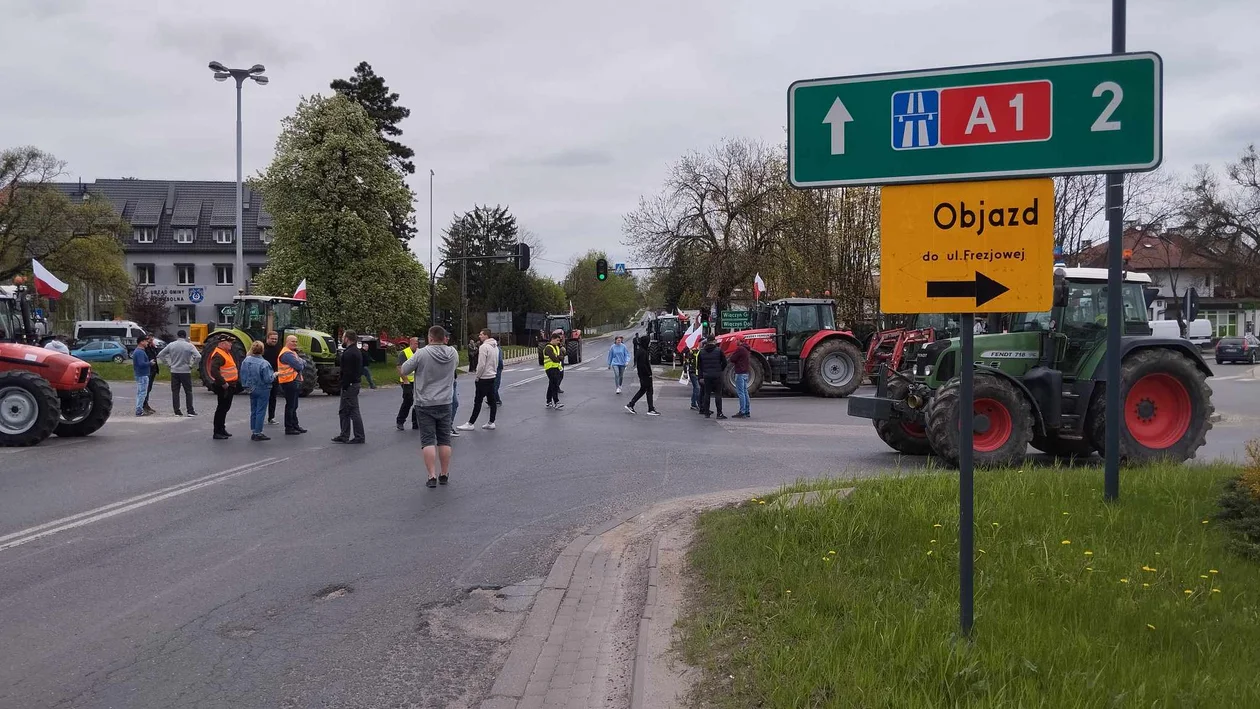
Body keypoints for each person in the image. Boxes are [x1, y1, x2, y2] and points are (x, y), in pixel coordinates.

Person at [399, 325, 459, 488]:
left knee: (428, 440)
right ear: (443, 337)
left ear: (430, 338)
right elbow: (454, 368)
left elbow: (404, 369)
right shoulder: (453, 353)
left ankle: (432, 476)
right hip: (445, 401)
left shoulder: (422, 353)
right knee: (444, 440)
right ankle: (444, 474)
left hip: (425, 402)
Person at [458, 329, 500, 431]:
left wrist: (478, 376)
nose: (479, 336)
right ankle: (491, 421)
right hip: (492, 376)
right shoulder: (495, 347)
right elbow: (496, 362)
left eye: (481, 335)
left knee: (478, 401)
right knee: (492, 400)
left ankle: (471, 423)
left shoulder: (484, 347)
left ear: (486, 336)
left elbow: (481, 364)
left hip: (484, 377)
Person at [158, 330, 201, 417]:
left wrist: (168, 364)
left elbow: (160, 354)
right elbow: (198, 356)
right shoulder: (189, 345)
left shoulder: (171, 345)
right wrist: (192, 365)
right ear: (185, 336)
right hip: (185, 371)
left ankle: (177, 411)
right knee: (188, 391)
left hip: (174, 371)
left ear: (177, 336)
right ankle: (190, 411)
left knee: (175, 392)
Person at [332, 330, 365, 444]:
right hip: (351, 384)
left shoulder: (350, 353)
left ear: (347, 339)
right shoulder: (354, 351)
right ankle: (344, 434)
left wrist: (344, 385)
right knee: (343, 411)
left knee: (353, 410)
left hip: (350, 385)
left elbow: (348, 372)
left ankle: (359, 436)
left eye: (343, 337)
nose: (342, 339)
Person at [239, 341, 276, 441]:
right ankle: (258, 432)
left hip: (251, 387)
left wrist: (245, 385)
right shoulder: (264, 363)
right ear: (262, 350)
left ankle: (253, 429)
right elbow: (268, 379)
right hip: (262, 388)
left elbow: (243, 374)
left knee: (254, 409)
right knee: (261, 410)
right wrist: (275, 375)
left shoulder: (246, 360)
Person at [207, 338, 240, 439]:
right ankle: (217, 432)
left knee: (225, 408)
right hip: (224, 386)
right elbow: (214, 371)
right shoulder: (218, 354)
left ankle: (222, 429)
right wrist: (223, 383)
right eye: (229, 343)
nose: (231, 345)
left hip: (230, 385)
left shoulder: (225, 352)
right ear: (222, 343)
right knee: (221, 409)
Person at [277, 335, 307, 435]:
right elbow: (299, 365)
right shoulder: (287, 354)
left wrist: (301, 363)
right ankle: (289, 427)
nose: (295, 343)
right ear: (287, 341)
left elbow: (303, 362)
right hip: (289, 381)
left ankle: (295, 425)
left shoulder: (292, 352)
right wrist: (301, 363)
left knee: (294, 405)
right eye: (293, 341)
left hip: (293, 381)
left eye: (296, 342)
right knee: (290, 406)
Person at [625, 334, 660, 415]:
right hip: (645, 375)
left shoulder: (642, 350)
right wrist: (649, 374)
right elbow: (643, 365)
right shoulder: (643, 352)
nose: (649, 343)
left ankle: (634, 404)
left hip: (643, 375)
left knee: (645, 390)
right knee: (648, 390)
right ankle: (649, 409)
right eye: (648, 341)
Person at [697, 336, 728, 419]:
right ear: (714, 341)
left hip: (706, 375)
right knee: (718, 394)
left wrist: (701, 376)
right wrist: (720, 369)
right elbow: (725, 362)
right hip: (717, 375)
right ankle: (719, 413)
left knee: (707, 394)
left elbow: (699, 366)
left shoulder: (702, 352)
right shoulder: (719, 351)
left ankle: (707, 412)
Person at [396, 336, 421, 431]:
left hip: (417, 381)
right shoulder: (404, 353)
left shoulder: (419, 352)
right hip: (406, 381)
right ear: (411, 343)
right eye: (415, 343)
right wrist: (405, 380)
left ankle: (416, 423)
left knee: (418, 401)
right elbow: (399, 367)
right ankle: (400, 421)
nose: (417, 345)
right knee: (408, 400)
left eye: (418, 343)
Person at [729, 336, 752, 418]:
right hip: (745, 373)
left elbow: (732, 358)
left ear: (739, 341)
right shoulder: (746, 349)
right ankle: (747, 410)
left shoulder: (740, 349)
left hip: (740, 373)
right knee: (745, 392)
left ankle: (742, 411)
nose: (736, 342)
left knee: (741, 392)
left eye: (737, 340)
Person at [262, 331, 282, 425]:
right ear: (267, 339)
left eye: (275, 339)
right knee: (263, 398)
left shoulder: (279, 348)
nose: (274, 340)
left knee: (273, 398)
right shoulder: (262, 348)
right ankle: (260, 417)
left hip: (275, 375)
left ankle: (271, 417)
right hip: (264, 377)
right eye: (272, 338)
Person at [543, 331, 565, 409]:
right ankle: (556, 402)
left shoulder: (556, 347)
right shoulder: (548, 347)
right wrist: (558, 357)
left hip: (556, 368)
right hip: (550, 368)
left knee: (551, 384)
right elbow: (554, 358)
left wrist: (558, 357)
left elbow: (562, 357)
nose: (558, 342)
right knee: (554, 385)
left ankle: (548, 401)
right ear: (553, 339)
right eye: (557, 340)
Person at [132, 335, 152, 417]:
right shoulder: (140, 352)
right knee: (142, 393)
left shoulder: (138, 351)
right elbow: (141, 364)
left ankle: (139, 409)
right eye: (146, 341)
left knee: (140, 393)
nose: (147, 342)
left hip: (140, 374)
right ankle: (139, 410)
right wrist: (150, 363)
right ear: (141, 342)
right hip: (142, 375)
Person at [141, 337, 159, 414]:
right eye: (149, 340)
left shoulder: (152, 347)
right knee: (146, 389)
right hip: (148, 370)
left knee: (149, 388)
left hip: (153, 369)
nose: (151, 341)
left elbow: (156, 354)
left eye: (152, 340)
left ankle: (146, 404)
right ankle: (144, 405)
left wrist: (154, 347)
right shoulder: (144, 348)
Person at [687, 345, 702, 411]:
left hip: (697, 372)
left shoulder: (701, 352)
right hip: (693, 372)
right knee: (697, 388)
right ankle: (698, 404)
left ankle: (694, 404)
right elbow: (687, 361)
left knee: (696, 389)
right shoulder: (692, 352)